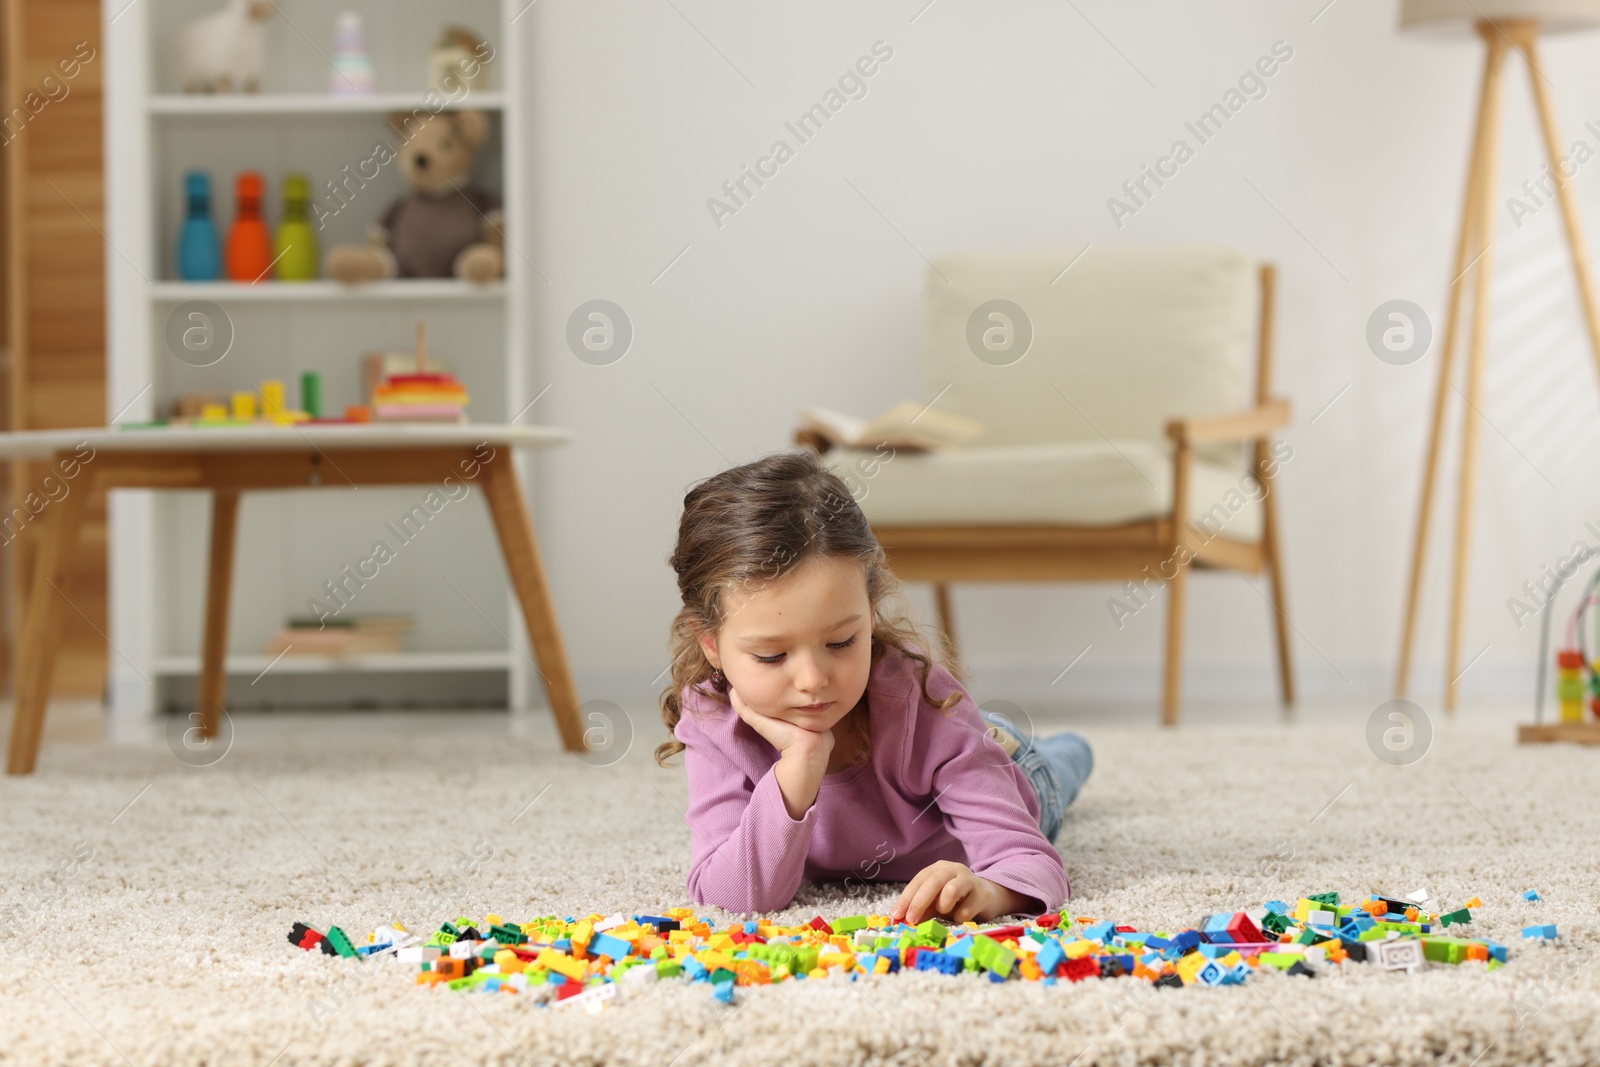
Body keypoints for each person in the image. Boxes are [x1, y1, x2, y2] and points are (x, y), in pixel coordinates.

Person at [655, 449, 1093, 922]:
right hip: (966, 738)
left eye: (842, 642)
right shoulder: (711, 715)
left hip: (1009, 764)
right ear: (712, 646)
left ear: (870, 612)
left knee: (1054, 766)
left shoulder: (924, 705)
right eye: (772, 656)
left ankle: (1068, 750)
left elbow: (1030, 861)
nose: (813, 681)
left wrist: (991, 891)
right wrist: (800, 765)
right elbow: (726, 897)